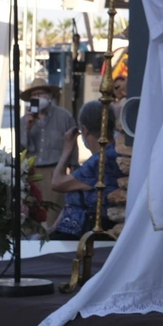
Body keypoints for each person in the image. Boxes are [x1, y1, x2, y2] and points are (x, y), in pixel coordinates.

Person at [50, 101, 121, 240]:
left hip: (83, 235)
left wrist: (68, 148)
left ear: (85, 130)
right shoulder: (113, 152)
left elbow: (57, 183)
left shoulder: (101, 160)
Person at [19, 78, 77, 216]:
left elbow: (72, 143)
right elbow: (20, 149)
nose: (38, 97)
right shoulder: (24, 120)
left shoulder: (64, 116)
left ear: (49, 96)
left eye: (41, 94)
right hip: (32, 172)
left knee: (53, 213)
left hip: (55, 171)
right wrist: (27, 128)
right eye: (34, 95)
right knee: (32, 215)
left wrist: (73, 169)